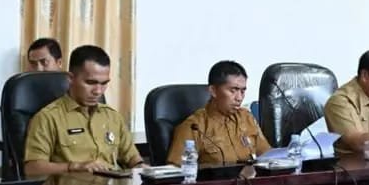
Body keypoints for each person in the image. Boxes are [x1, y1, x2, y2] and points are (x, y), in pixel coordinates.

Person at [24, 45, 143, 177]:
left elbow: (133, 159)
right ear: (70, 78)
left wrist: (145, 169)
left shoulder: (113, 117)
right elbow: (32, 169)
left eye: (104, 83)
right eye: (91, 83)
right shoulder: (48, 118)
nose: (98, 91)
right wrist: (75, 167)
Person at [167, 61, 271, 165]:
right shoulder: (194, 127)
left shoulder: (246, 118)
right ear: (213, 91)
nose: (239, 98)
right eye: (233, 90)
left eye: (242, 91)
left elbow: (268, 158)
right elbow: (176, 170)